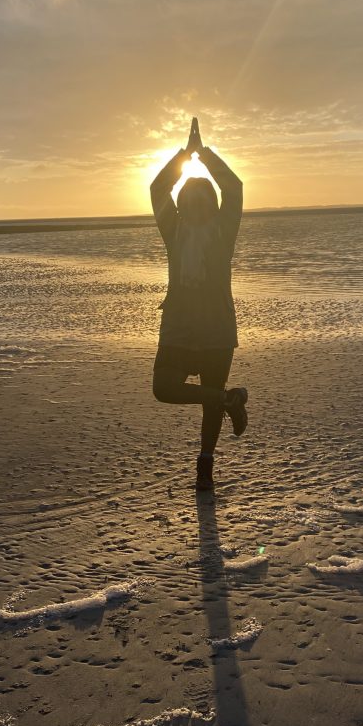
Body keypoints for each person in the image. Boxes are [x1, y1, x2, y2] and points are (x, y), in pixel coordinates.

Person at [151, 117, 248, 492]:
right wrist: (183, 156)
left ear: (210, 201)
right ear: (180, 204)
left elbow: (234, 186)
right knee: (163, 388)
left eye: (200, 196)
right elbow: (158, 187)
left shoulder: (224, 232)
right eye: (187, 198)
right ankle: (229, 398)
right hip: (178, 324)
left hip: (216, 328)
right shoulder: (173, 232)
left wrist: (203, 154)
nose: (193, 203)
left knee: (209, 409)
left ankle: (204, 468)